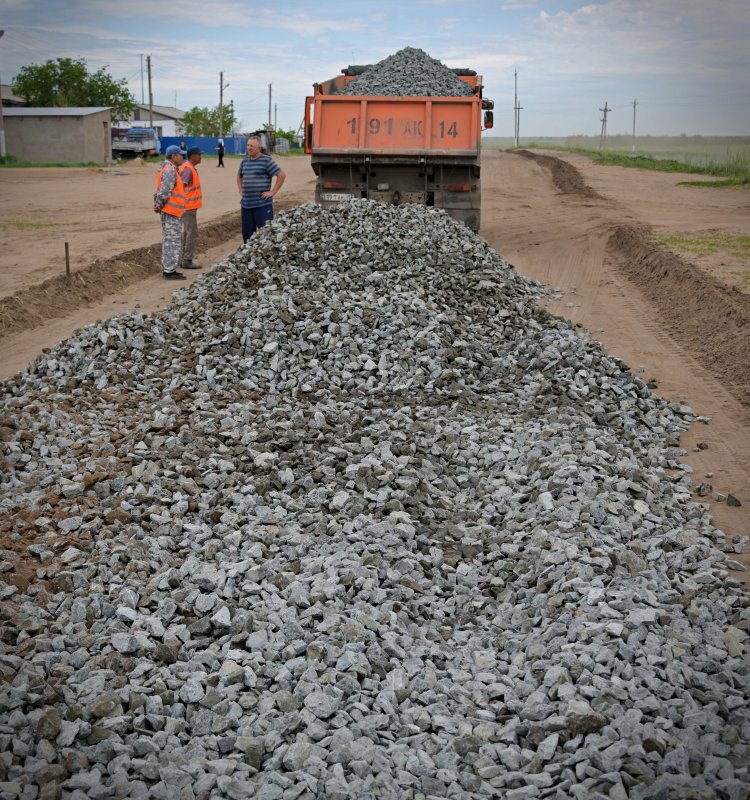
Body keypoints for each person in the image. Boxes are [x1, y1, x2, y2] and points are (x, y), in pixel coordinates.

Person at [236, 135, 286, 243]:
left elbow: (281, 175)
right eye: (248, 145)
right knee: (247, 236)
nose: (249, 148)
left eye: (252, 146)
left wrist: (273, 192)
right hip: (246, 205)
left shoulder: (266, 161)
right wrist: (240, 189)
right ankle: (248, 257)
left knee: (266, 235)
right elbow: (239, 176)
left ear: (259, 148)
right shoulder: (244, 161)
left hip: (262, 205)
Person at [153, 144, 187, 280]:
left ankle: (171, 268)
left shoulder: (168, 169)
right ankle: (169, 271)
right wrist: (159, 205)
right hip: (171, 211)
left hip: (172, 211)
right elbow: (165, 192)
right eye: (180, 155)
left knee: (171, 240)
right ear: (174, 156)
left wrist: (157, 204)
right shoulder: (170, 170)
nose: (183, 158)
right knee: (171, 241)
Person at [178, 146, 203, 271]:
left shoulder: (190, 168)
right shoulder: (187, 169)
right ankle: (187, 260)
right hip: (188, 207)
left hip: (189, 207)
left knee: (188, 232)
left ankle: (183, 258)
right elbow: (180, 188)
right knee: (191, 233)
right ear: (193, 156)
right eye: (199, 154)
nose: (200, 156)